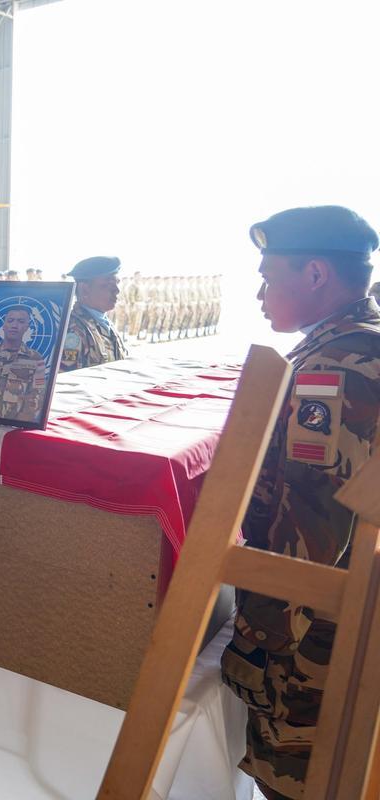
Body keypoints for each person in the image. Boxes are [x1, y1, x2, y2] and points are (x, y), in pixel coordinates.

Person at [217, 206, 380, 800]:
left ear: (314, 274)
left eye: (268, 277)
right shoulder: (359, 345)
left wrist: (257, 640)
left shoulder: (334, 369)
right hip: (349, 617)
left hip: (316, 644)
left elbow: (309, 531)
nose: (260, 294)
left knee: (299, 783)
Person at [60, 256, 128, 371]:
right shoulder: (73, 330)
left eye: (116, 283)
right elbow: (69, 379)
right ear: (85, 289)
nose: (117, 290)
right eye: (108, 284)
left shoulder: (104, 323)